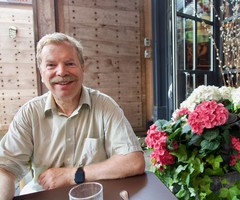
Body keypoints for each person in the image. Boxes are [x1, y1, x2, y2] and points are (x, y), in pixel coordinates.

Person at [0, 32, 145, 200]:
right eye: (51, 65)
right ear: (41, 74)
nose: (61, 72)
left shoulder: (105, 106)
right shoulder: (29, 114)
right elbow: (5, 168)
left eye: (69, 63)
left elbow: (134, 161)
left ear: (82, 68)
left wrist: (74, 175)